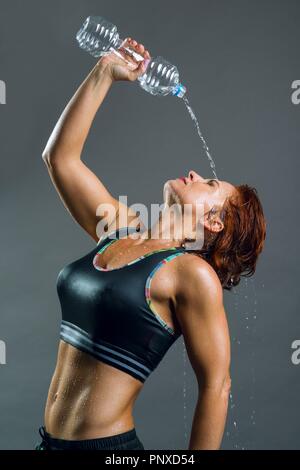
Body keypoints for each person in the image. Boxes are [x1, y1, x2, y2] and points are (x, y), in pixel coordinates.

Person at [36, 38, 266, 450]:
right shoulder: (121, 229)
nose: (195, 173)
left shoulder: (190, 274)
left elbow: (216, 385)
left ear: (214, 221)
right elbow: (60, 158)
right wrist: (105, 71)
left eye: (210, 184)